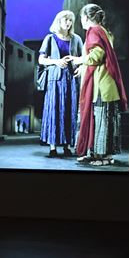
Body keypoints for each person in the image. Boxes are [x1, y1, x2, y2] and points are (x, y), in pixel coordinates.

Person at [71, 3, 129, 166]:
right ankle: (98, 155)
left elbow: (97, 55)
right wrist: (83, 68)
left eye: (81, 17)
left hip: (100, 88)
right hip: (105, 85)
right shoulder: (104, 31)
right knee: (102, 121)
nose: (80, 20)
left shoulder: (94, 31)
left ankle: (103, 157)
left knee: (101, 121)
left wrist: (78, 60)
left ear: (87, 17)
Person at [37, 9, 83, 157]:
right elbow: (41, 60)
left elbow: (84, 58)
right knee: (54, 111)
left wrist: (81, 68)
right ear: (59, 21)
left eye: (71, 20)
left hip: (71, 81)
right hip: (54, 81)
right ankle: (52, 148)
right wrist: (56, 62)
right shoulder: (50, 38)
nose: (68, 23)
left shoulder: (77, 39)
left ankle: (67, 146)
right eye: (66, 19)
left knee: (70, 111)